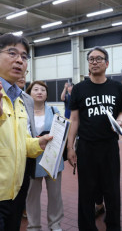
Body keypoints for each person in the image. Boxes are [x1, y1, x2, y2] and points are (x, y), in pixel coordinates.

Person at [67, 46, 122, 231]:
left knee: (112, 191)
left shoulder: (117, 87)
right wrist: (70, 147)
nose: (94, 62)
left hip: (109, 146)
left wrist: (118, 121)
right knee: (86, 192)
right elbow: (74, 119)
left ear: (107, 63)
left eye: (98, 58)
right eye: (91, 59)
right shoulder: (78, 89)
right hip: (86, 147)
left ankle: (113, 226)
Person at [0, 33, 52, 231]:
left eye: (24, 56)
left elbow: (21, 141)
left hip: (16, 191)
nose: (19, 60)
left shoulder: (23, 100)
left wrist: (38, 143)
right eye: (12, 53)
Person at [26, 81, 64, 231]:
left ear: (47, 94)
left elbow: (62, 132)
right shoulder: (24, 112)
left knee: (55, 195)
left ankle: (55, 224)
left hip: (53, 159)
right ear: (29, 94)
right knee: (32, 196)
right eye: (35, 89)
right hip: (32, 159)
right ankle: (34, 226)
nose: (39, 92)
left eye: (43, 89)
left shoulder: (54, 111)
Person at [7, 72, 37, 231]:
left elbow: (28, 129)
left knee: (16, 209)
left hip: (26, 156)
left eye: (24, 72)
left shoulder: (27, 99)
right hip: (6, 162)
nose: (21, 74)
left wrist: (37, 142)